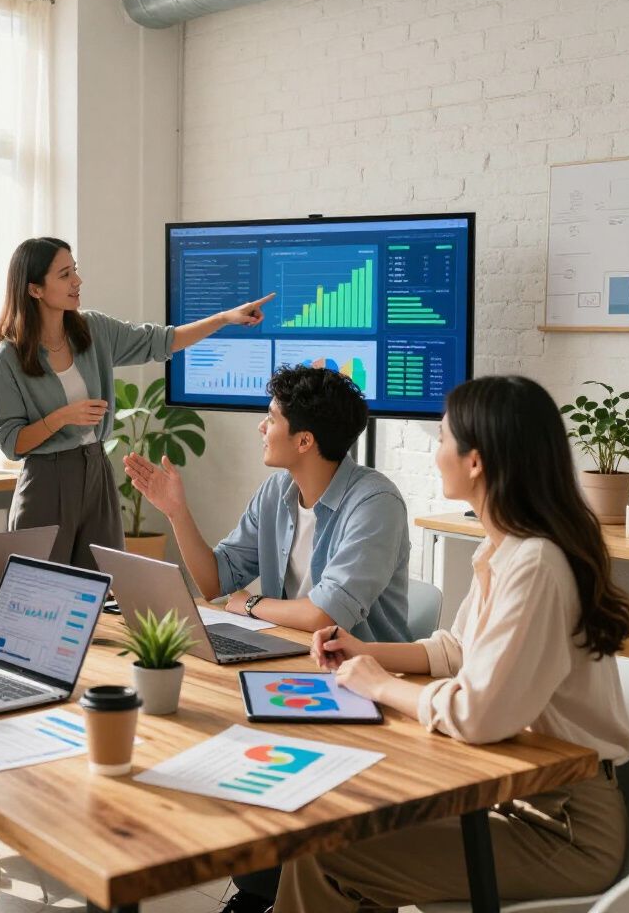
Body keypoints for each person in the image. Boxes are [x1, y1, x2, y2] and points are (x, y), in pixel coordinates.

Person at [274, 375, 629, 913]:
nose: (436, 450)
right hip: (509, 795)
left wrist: (381, 686)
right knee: (333, 827)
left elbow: (476, 714)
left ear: (475, 461)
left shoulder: (536, 563)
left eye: (443, 438)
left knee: (323, 849)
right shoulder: (505, 550)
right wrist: (365, 652)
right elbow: (457, 651)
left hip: (563, 827)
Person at [125, 363, 410, 913]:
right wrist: (176, 512)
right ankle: (258, 893)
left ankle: (297, 892)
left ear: (305, 441)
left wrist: (249, 604)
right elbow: (214, 583)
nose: (261, 426)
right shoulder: (279, 491)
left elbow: (326, 613)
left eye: (271, 417)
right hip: (289, 666)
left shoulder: (375, 503)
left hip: (359, 683)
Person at [0, 236, 274, 569]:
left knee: (102, 581)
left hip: (96, 470)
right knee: (39, 585)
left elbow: (161, 340)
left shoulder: (93, 330)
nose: (77, 280)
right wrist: (61, 417)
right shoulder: (7, 360)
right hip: (46, 480)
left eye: (74, 270)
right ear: (35, 289)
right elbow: (12, 443)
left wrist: (224, 318)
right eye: (65, 275)